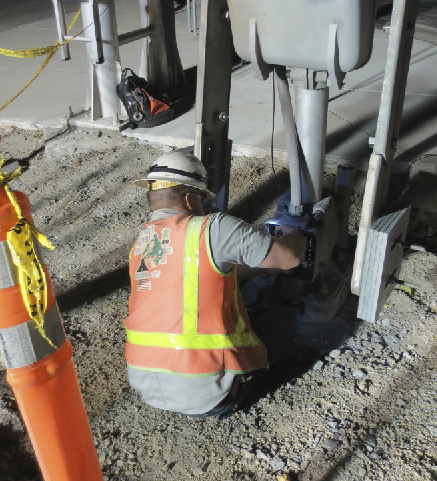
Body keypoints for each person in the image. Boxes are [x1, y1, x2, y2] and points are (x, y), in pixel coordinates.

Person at [123, 150, 306, 417]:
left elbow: (194, 275)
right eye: (201, 201)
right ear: (189, 199)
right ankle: (242, 389)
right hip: (209, 396)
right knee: (283, 319)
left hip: (147, 387)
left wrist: (255, 271)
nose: (204, 208)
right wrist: (297, 235)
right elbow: (289, 259)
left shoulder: (141, 245)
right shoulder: (211, 228)